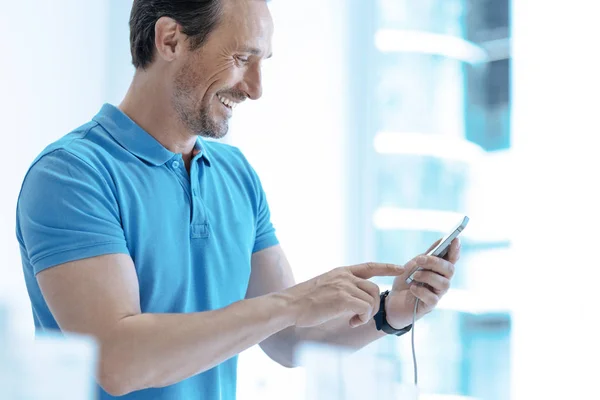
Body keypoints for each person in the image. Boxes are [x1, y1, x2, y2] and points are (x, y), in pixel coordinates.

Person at [15, 0, 460, 399]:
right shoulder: (72, 174)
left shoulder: (236, 174)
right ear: (170, 39)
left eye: (262, 62)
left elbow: (288, 339)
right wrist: (293, 303)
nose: (255, 87)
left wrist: (390, 312)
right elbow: (118, 362)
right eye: (241, 58)